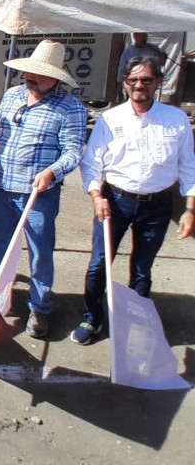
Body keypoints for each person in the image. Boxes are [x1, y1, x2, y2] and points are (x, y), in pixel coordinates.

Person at [71, 56, 195, 345]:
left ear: (158, 83)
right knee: (99, 264)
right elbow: (91, 163)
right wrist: (95, 195)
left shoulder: (175, 120)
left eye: (147, 80)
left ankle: (134, 320)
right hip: (114, 202)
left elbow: (188, 166)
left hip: (158, 205)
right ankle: (92, 317)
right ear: (125, 83)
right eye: (133, 80)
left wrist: (189, 208)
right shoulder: (110, 119)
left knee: (142, 267)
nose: (139, 86)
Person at [0, 40, 87, 338]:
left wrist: (52, 171)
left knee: (39, 251)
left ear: (55, 77)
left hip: (39, 195)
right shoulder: (13, 96)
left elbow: (73, 151)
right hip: (2, 189)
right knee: (0, 246)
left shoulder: (70, 109)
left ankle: (39, 307)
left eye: (38, 75)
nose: (31, 79)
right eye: (29, 73)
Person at [116, 33, 166, 102]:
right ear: (135, 36)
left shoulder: (154, 50)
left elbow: (160, 65)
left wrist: (163, 58)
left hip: (148, 81)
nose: (144, 38)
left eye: (145, 35)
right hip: (132, 80)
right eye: (142, 35)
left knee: (146, 100)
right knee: (132, 99)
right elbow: (122, 68)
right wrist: (119, 84)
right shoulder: (128, 51)